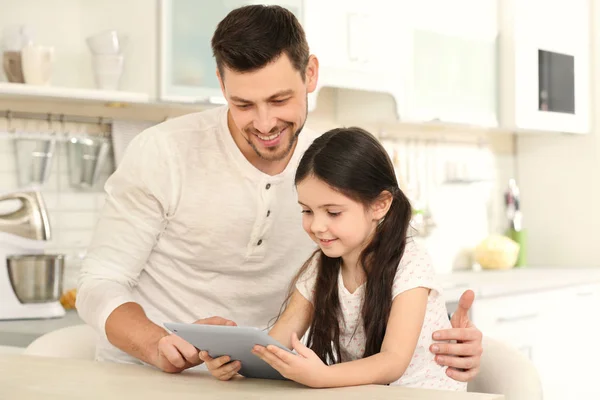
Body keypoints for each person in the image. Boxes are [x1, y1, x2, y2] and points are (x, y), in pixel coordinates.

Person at [76, 4, 482, 381]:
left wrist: (440, 340)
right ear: (220, 83)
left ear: (310, 75)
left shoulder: (326, 170)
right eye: (243, 104)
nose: (265, 123)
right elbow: (98, 283)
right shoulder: (163, 151)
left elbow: (387, 279)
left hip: (268, 380)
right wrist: (156, 344)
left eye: (280, 99)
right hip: (149, 378)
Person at [200, 127, 467, 390]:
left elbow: (393, 361)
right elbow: (275, 346)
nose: (316, 226)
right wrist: (237, 364)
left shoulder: (410, 263)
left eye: (333, 212)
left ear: (380, 204)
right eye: (307, 211)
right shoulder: (320, 267)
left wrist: (322, 376)